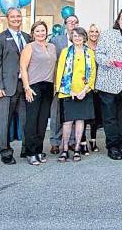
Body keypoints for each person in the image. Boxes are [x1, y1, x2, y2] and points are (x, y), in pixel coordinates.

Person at [95, 8, 122, 160]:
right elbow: (98, 55)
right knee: (110, 117)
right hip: (109, 83)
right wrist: (107, 61)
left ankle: (119, 145)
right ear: (118, 21)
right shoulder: (108, 34)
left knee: (121, 118)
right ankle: (112, 146)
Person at [0, 8, 31, 165]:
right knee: (4, 120)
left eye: (18, 16)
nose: (16, 19)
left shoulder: (27, 37)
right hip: (6, 87)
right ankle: (5, 152)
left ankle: (27, 149)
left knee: (27, 120)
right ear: (7, 19)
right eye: (13, 16)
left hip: (25, 87)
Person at [55, 27, 97, 163]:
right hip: (68, 92)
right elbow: (60, 73)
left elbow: (92, 74)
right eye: (74, 35)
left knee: (80, 121)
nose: (77, 38)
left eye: (80, 35)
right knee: (67, 122)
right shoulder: (65, 52)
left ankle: (78, 148)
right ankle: (65, 149)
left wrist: (85, 90)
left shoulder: (90, 53)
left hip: (84, 92)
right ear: (71, 38)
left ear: (84, 37)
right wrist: (68, 91)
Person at [20, 21, 57, 166]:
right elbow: (23, 68)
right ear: (33, 33)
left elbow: (54, 67)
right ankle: (30, 152)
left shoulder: (52, 47)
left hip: (48, 86)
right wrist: (27, 87)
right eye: (38, 31)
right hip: (33, 86)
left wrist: (54, 85)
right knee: (32, 120)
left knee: (42, 121)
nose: (41, 33)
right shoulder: (29, 47)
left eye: (43, 30)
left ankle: (39, 150)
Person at [49, 14, 79, 154]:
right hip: (60, 82)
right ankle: (55, 141)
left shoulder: (80, 39)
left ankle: (72, 141)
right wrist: (55, 82)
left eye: (75, 22)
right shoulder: (56, 41)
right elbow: (52, 62)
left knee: (72, 112)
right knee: (56, 112)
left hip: (76, 84)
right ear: (65, 24)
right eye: (70, 22)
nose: (73, 24)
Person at [82, 24, 102, 152]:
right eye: (91, 31)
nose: (94, 34)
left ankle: (93, 141)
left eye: (96, 31)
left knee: (95, 115)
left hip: (98, 87)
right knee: (84, 115)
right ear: (87, 34)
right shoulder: (83, 48)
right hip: (85, 86)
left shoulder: (101, 48)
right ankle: (82, 142)